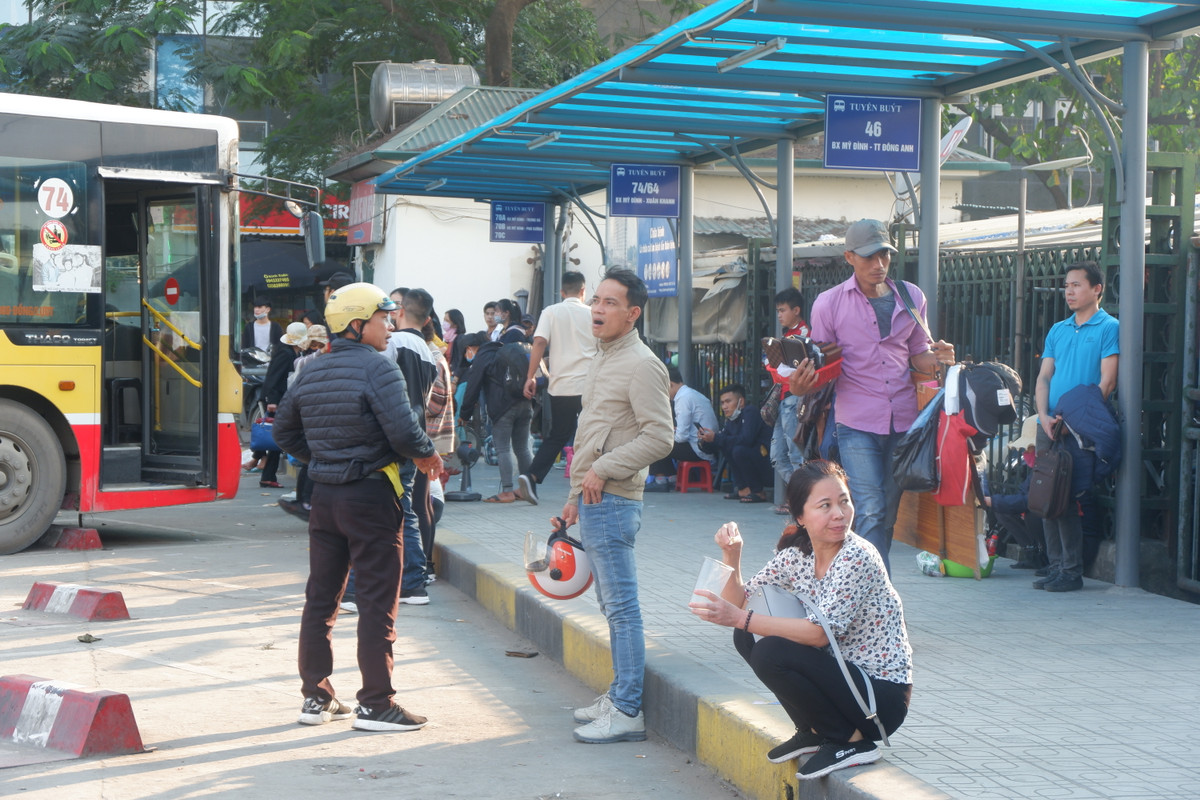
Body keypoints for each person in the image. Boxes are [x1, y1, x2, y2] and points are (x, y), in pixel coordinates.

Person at [273, 282, 442, 733]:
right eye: (383, 317)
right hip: (370, 496)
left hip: (325, 497)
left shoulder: (311, 369)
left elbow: (285, 434)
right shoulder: (380, 369)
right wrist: (428, 454)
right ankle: (376, 703)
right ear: (356, 324)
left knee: (321, 599)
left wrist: (325, 460)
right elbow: (405, 434)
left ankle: (316, 697)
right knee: (376, 602)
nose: (390, 324)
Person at [689, 460, 912, 780]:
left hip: (880, 698)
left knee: (768, 648)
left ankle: (850, 741)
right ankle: (813, 729)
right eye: (825, 505)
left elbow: (820, 635)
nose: (839, 513)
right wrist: (732, 554)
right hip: (845, 683)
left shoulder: (856, 555)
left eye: (844, 501)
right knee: (746, 635)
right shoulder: (798, 554)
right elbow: (743, 601)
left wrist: (740, 616)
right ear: (800, 517)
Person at [789, 219, 955, 573]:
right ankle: (874, 596)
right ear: (849, 257)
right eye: (868, 257)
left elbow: (917, 355)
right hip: (856, 421)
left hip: (905, 421)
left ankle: (855, 585)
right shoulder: (829, 304)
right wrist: (801, 383)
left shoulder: (911, 296)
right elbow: (821, 366)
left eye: (884, 256)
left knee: (888, 514)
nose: (878, 265)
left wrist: (939, 357)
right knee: (870, 509)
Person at [559, 267, 673, 744]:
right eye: (596, 301)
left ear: (633, 313)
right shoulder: (604, 356)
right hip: (592, 499)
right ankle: (619, 693)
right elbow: (590, 434)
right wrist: (571, 500)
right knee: (611, 605)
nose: (598, 310)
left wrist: (605, 469)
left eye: (609, 303)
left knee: (622, 608)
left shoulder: (643, 363)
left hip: (613, 498)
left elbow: (661, 437)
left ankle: (628, 708)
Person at [1031, 261, 1119, 593]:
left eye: (1077, 285)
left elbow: (1107, 383)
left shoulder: (1109, 327)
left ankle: (1071, 570)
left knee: (1067, 498)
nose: (1069, 291)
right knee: (1046, 495)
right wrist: (1043, 415)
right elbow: (1044, 377)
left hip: (1078, 428)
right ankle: (1055, 566)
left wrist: (1073, 420)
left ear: (1097, 289)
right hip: (1049, 423)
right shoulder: (1058, 329)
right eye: (1066, 285)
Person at [515, 271, 596, 506]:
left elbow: (539, 342)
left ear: (562, 292)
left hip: (561, 387)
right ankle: (590, 483)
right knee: (595, 434)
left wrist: (530, 377)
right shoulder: (592, 314)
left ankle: (531, 475)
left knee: (558, 435)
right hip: (590, 385)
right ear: (583, 291)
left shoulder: (551, 311)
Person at [386, 287, 439, 606]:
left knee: (400, 512)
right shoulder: (427, 351)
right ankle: (411, 581)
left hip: (396, 438)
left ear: (400, 309)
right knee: (405, 510)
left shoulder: (395, 343)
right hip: (415, 437)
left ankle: (412, 581)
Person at [458, 327, 533, 504]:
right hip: (525, 403)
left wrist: (464, 414)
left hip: (504, 408)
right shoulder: (505, 350)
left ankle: (507, 491)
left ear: (473, 347)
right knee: (522, 448)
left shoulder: (483, 356)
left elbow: (472, 387)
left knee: (503, 448)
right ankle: (528, 489)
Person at [766, 288, 810, 514]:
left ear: (796, 310)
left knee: (795, 455)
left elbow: (791, 373)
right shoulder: (788, 334)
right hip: (785, 399)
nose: (779, 315)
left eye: (782, 310)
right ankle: (801, 498)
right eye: (778, 311)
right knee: (777, 457)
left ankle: (803, 502)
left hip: (794, 398)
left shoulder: (802, 335)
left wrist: (773, 368)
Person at [256, 321, 310, 489]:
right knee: (277, 438)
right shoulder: (285, 354)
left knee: (277, 439)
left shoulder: (290, 353)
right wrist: (272, 401)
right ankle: (266, 473)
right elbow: (274, 377)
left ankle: (267, 475)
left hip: (281, 401)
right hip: (277, 401)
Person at [647, 366, 719, 491]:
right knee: (663, 437)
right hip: (706, 447)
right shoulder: (692, 394)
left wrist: (670, 433)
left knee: (654, 440)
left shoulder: (683, 399)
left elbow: (681, 437)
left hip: (699, 449)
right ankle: (672, 477)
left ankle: (660, 481)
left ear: (670, 384)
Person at [698, 383, 773, 503]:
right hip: (754, 460)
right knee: (728, 447)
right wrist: (706, 441)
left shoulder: (750, 412)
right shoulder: (731, 420)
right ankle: (743, 488)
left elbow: (747, 439)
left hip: (767, 463)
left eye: (728, 401)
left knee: (739, 450)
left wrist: (716, 438)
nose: (724, 406)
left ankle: (758, 491)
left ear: (741, 402)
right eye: (722, 403)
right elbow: (722, 441)